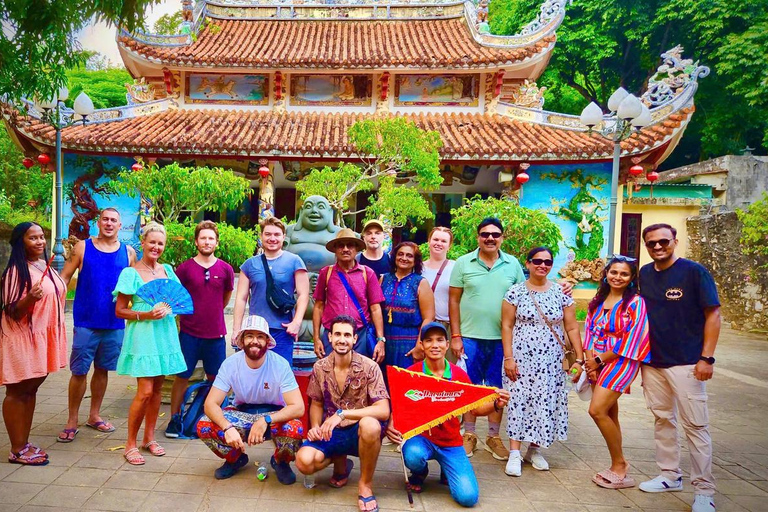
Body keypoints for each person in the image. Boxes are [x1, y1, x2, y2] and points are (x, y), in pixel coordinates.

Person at [637, 223, 720, 512]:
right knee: (662, 420)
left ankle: (704, 491)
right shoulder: (645, 274)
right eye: (651, 243)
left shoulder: (694, 272)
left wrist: (706, 358)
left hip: (688, 363)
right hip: (653, 362)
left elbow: (713, 313)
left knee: (696, 426)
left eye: (663, 242)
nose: (658, 247)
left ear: (675, 241)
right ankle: (670, 475)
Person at [386, 322, 510, 507]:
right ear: (421, 344)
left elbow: (474, 409)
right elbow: (399, 403)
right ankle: (419, 472)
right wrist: (391, 423)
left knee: (468, 498)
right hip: (422, 439)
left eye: (439, 340)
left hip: (451, 443)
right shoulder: (413, 373)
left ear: (446, 344)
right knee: (412, 455)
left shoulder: (459, 375)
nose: (434, 345)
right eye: (428, 340)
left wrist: (495, 403)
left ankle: (447, 467)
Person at [501, 247, 584, 476]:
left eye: (547, 262)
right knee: (518, 401)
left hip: (551, 360)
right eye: (537, 261)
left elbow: (571, 326)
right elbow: (507, 325)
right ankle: (515, 452)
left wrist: (579, 357)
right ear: (527, 264)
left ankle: (534, 449)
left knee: (544, 401)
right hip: (520, 357)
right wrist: (508, 357)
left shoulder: (561, 293)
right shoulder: (515, 292)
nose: (542, 265)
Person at [296, 315, 390, 512]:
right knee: (304, 462)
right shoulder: (319, 367)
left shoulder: (369, 367)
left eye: (347, 335)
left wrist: (343, 414)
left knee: (370, 425)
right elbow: (316, 402)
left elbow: (383, 410)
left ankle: (365, 485)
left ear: (355, 339)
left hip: (359, 431)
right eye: (337, 334)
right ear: (329, 337)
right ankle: (341, 462)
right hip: (332, 431)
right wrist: (315, 428)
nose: (342, 339)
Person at [448, 217, 524, 460]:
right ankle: (468, 434)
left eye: (495, 234)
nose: (490, 238)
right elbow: (454, 300)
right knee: (468, 387)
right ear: (477, 237)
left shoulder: (512, 265)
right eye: (484, 234)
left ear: (502, 237)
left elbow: (525, 296)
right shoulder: (463, 263)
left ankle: (493, 436)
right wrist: (456, 335)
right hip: (469, 337)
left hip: (502, 339)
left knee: (497, 388)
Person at [196, 315, 305, 484]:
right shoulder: (230, 364)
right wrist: (227, 427)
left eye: (260, 336)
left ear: (267, 342)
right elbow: (210, 404)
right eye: (250, 336)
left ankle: (280, 461)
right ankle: (235, 458)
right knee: (204, 425)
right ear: (242, 340)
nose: (255, 341)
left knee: (295, 428)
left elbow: (298, 407)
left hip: (273, 414)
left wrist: (266, 420)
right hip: (241, 412)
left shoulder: (280, 364)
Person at [58, 207, 135, 442]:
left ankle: (94, 415)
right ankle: (72, 419)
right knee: (79, 370)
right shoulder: (83, 247)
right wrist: (56, 312)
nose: (109, 224)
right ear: (98, 223)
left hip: (114, 322)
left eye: (114, 220)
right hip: (85, 320)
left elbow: (133, 286)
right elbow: (64, 279)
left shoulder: (129, 253)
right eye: (105, 220)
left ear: (120, 226)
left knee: (102, 370)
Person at [113, 222, 187, 465]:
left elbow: (177, 300)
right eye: (152, 242)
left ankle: (149, 438)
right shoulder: (131, 272)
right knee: (144, 392)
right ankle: (130, 444)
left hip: (164, 334)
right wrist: (145, 314)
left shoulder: (167, 270)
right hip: (143, 334)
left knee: (156, 391)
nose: (156, 246)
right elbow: (120, 310)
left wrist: (171, 310)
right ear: (142, 243)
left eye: (160, 243)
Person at [1, 222, 67, 465]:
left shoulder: (42, 265)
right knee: (18, 392)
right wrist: (29, 297)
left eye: (41, 237)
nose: (40, 242)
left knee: (31, 390)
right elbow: (12, 312)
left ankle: (23, 442)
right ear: (21, 242)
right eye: (33, 238)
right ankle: (17, 450)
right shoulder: (15, 272)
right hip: (22, 340)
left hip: (42, 337)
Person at [583, 255, 650, 489]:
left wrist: (600, 359)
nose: (617, 277)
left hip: (621, 361)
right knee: (610, 415)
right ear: (606, 273)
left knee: (596, 410)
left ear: (632, 278)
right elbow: (589, 330)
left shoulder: (635, 302)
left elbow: (634, 338)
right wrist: (590, 361)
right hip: (597, 361)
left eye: (624, 274)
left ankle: (620, 464)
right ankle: (616, 464)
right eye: (614, 272)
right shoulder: (599, 299)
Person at [165, 221, 235, 438]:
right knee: (182, 376)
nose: (207, 242)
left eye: (211, 238)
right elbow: (178, 297)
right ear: (196, 241)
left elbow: (225, 298)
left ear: (217, 242)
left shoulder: (226, 269)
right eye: (203, 238)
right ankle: (175, 419)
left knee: (216, 378)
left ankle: (213, 418)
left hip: (215, 335)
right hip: (189, 333)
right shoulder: (185, 269)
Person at [235, 216, 309, 366]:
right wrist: (237, 328)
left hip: (282, 329)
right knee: (252, 372)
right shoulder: (249, 265)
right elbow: (241, 298)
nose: (272, 238)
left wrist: (297, 322)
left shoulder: (294, 261)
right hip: (255, 330)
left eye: (276, 234)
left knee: (280, 374)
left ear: (284, 237)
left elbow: (303, 294)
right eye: (268, 234)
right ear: (261, 236)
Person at [313, 228, 386, 362]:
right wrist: (316, 338)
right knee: (331, 375)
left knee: (359, 374)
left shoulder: (367, 273)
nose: (345, 249)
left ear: (357, 248)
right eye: (341, 245)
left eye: (350, 245)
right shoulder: (326, 273)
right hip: (331, 335)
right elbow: (318, 306)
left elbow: (375, 308)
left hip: (359, 335)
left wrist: (381, 339)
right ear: (335, 249)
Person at [380, 241, 434, 369]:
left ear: (415, 261)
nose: (404, 258)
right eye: (400, 254)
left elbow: (429, 317)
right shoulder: (383, 279)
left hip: (409, 341)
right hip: (385, 339)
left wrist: (419, 346)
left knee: (406, 382)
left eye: (409, 256)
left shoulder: (420, 283)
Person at [421, 227, 455, 336]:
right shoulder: (418, 268)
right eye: (435, 239)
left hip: (447, 326)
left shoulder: (456, 267)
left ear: (449, 246)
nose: (438, 243)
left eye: (443, 241)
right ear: (429, 241)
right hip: (422, 325)